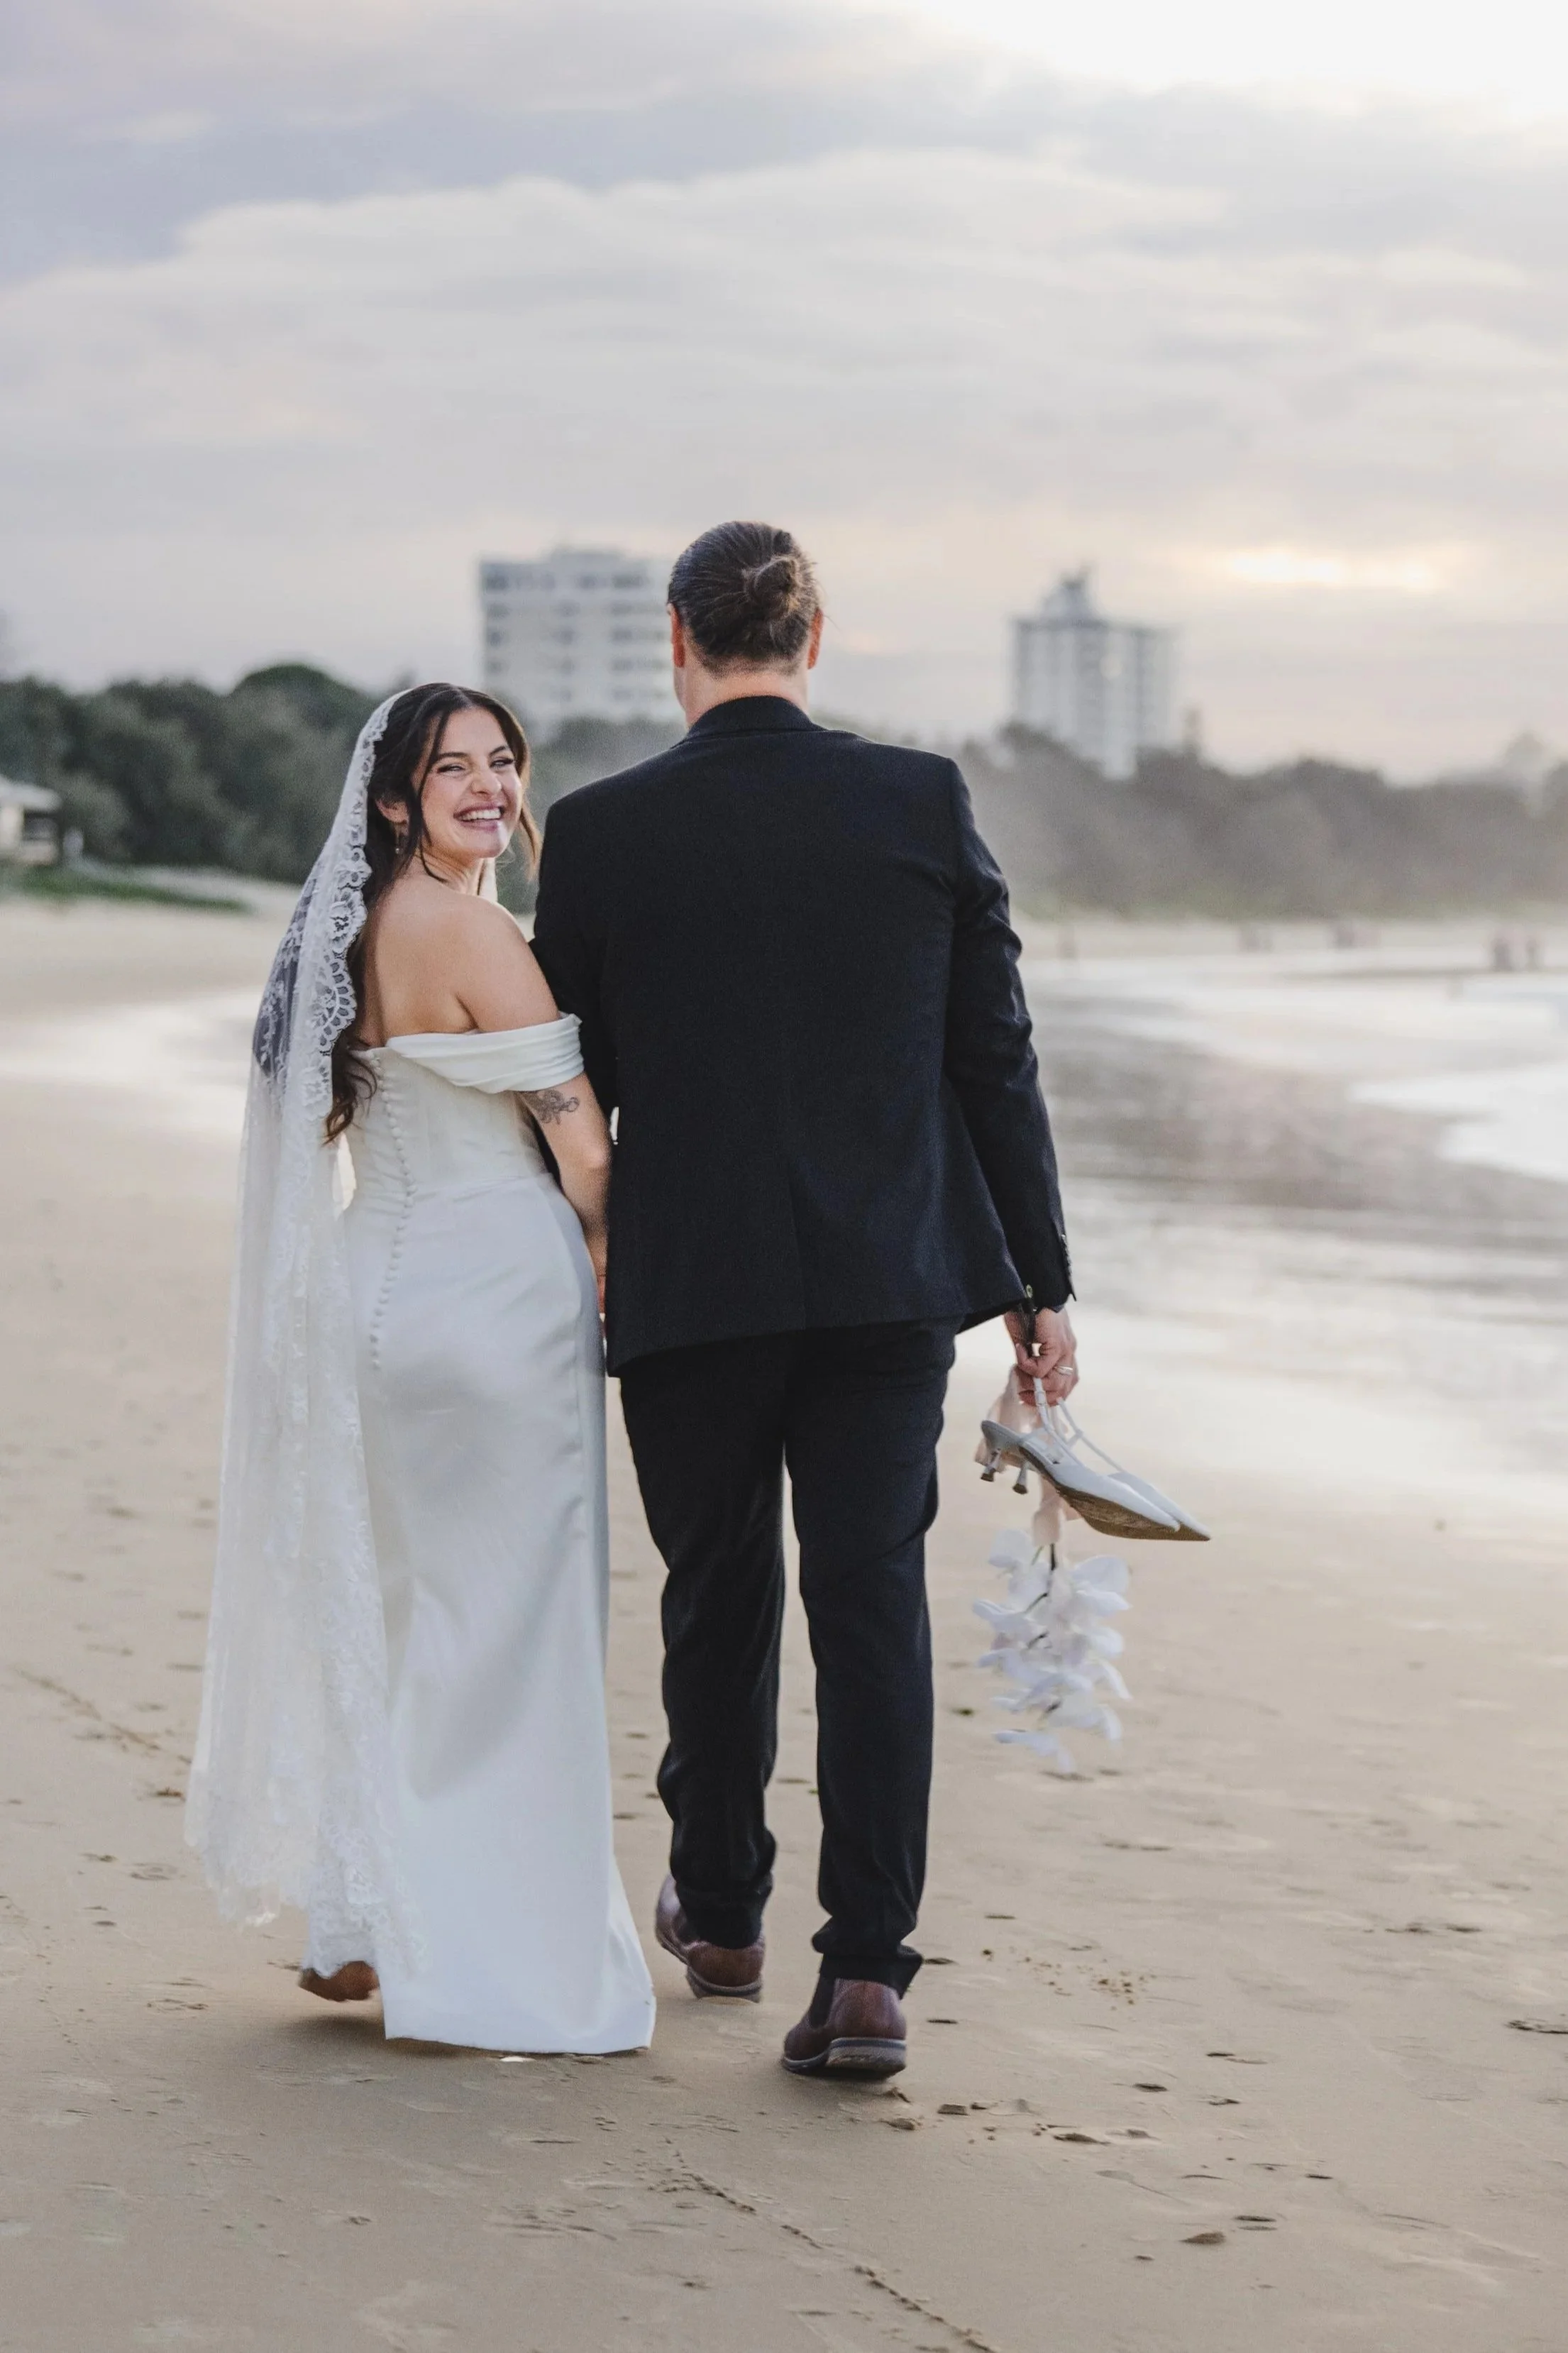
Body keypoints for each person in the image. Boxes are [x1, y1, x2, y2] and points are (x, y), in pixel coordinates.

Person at [532, 521, 1076, 2080]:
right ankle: (864, 1978)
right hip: (885, 1280)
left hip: (690, 1277)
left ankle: (718, 1908)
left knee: (715, 1590)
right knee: (868, 1602)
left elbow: (583, 1083)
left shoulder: (604, 830)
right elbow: (994, 1055)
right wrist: (1039, 1278)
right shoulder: (917, 800)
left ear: (675, 639)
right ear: (815, 638)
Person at [187, 683, 654, 2055]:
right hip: (495, 1303)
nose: (489, 788)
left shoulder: (351, 932)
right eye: (453, 769)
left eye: (503, 763)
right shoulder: (469, 929)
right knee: (510, 1631)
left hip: (371, 1292)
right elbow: (585, 1160)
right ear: (394, 799)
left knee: (406, 1614)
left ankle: (369, 1916)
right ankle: (492, 1948)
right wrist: (616, 1275)